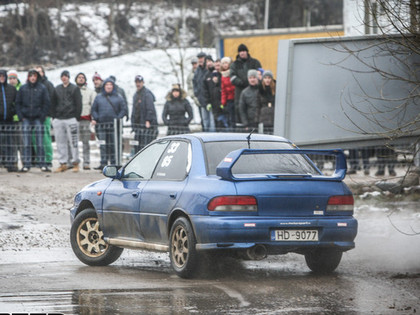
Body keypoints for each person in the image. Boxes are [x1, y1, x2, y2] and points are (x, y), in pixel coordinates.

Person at [15, 69, 50, 172]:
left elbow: (46, 103)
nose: (33, 78)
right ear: (28, 77)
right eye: (31, 76)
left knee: (40, 142)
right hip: (26, 118)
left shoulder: (42, 88)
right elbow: (18, 103)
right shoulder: (23, 88)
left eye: (34, 76)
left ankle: (42, 164)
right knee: (26, 143)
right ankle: (26, 164)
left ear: (37, 77)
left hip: (38, 118)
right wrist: (21, 116)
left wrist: (42, 116)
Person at [91, 78, 126, 169]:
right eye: (107, 85)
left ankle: (114, 163)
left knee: (113, 145)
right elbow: (94, 109)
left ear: (113, 86)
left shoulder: (118, 97)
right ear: (104, 86)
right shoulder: (98, 97)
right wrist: (96, 118)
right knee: (103, 144)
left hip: (114, 126)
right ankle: (103, 163)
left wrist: (118, 118)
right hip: (102, 125)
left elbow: (123, 109)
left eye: (110, 85)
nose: (109, 86)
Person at [51, 70, 82, 173]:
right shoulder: (57, 89)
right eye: (62, 76)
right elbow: (53, 102)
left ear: (68, 77)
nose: (64, 78)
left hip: (71, 118)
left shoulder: (74, 89)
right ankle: (63, 163)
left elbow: (78, 103)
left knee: (74, 142)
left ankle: (75, 163)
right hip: (59, 118)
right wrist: (54, 116)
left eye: (66, 76)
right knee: (60, 142)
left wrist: (76, 117)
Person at [230, 43, 262, 124]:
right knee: (240, 110)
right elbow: (232, 77)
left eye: (244, 51)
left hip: (255, 91)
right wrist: (242, 83)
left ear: (247, 52)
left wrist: (254, 82)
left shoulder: (255, 62)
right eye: (240, 51)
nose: (242, 53)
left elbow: (260, 74)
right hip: (239, 92)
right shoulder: (234, 64)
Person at [131, 75, 158, 152]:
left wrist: (148, 120)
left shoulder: (147, 94)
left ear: (143, 82)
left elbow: (150, 109)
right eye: (136, 82)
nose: (138, 84)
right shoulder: (135, 95)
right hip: (138, 126)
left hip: (146, 127)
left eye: (139, 82)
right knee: (138, 148)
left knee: (146, 147)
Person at [35, 66, 55, 168]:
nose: (38, 74)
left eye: (40, 72)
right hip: (34, 117)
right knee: (35, 138)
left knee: (46, 137)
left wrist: (48, 113)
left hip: (46, 116)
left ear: (43, 73)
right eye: (36, 72)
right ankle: (39, 159)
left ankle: (48, 159)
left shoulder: (48, 84)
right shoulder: (33, 85)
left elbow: (51, 100)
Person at [75, 72, 96, 170]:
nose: (81, 79)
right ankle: (74, 162)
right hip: (74, 119)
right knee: (73, 142)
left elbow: (94, 105)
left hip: (86, 120)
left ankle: (86, 162)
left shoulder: (90, 92)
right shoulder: (72, 91)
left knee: (85, 142)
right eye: (79, 77)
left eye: (83, 77)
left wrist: (93, 118)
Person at [0, 69, 17, 172]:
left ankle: (10, 164)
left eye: (3, 76)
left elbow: (18, 103)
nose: (2, 78)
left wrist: (12, 112)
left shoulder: (12, 89)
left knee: (10, 143)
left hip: (9, 120)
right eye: (0, 76)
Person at [7, 70, 22, 171]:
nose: (12, 80)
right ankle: (14, 163)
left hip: (20, 119)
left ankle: (25, 163)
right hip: (11, 119)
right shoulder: (7, 89)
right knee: (12, 143)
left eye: (14, 78)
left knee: (22, 143)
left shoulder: (22, 88)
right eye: (10, 79)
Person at [193, 52, 208, 130]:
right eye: (199, 59)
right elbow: (194, 82)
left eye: (202, 58)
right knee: (204, 120)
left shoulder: (208, 69)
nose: (200, 60)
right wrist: (196, 94)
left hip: (209, 99)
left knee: (210, 121)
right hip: (201, 99)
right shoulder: (197, 71)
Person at [220, 56, 235, 128]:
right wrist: (223, 102)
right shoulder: (222, 76)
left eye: (226, 63)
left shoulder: (233, 72)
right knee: (229, 117)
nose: (225, 65)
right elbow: (223, 90)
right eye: (223, 63)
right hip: (229, 99)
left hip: (235, 97)